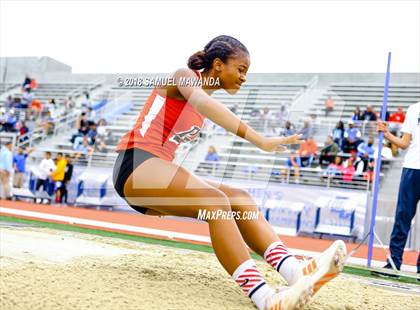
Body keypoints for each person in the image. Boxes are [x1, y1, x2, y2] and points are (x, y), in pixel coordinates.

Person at [112, 35, 346, 309]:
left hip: (157, 169)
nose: (244, 78)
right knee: (216, 202)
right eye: (241, 69)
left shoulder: (201, 98)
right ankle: (265, 298)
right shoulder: (183, 76)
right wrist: (260, 140)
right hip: (135, 164)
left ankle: (294, 272)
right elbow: (204, 104)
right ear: (219, 65)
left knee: (239, 197)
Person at [375, 101, 420, 278]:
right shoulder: (413, 108)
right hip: (412, 168)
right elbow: (404, 143)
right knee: (403, 216)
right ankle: (394, 262)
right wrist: (386, 133)